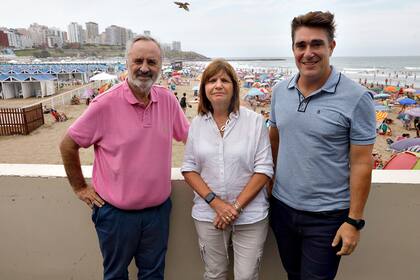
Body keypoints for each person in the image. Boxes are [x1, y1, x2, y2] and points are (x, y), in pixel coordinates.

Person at [59, 35, 189, 280]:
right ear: (126, 63)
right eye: (138, 60)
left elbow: (189, 138)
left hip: (158, 213)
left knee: (153, 275)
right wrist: (79, 187)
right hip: (116, 215)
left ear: (161, 66)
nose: (144, 68)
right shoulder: (104, 104)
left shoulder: (168, 100)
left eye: (152, 62)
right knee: (116, 275)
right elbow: (68, 145)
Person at [268, 11, 376, 280]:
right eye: (301, 45)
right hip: (282, 209)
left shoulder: (357, 97)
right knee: (293, 274)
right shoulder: (280, 91)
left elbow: (363, 162)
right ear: (293, 49)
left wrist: (354, 221)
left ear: (331, 47)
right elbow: (274, 139)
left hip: (327, 218)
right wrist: (270, 192)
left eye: (316, 44)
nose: (308, 53)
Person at [181, 59, 273, 280]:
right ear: (204, 88)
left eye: (224, 80)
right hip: (208, 215)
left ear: (234, 86)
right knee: (214, 274)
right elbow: (189, 168)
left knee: (247, 276)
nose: (218, 85)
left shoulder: (255, 122)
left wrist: (235, 207)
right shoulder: (197, 124)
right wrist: (217, 204)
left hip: (251, 216)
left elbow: (264, 169)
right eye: (212, 80)